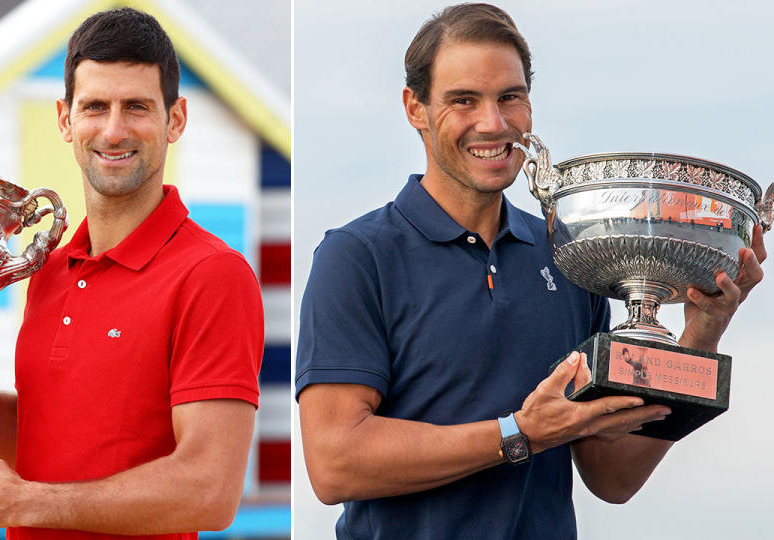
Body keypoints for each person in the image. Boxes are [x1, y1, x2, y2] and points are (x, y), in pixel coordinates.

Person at [295, 3, 765, 539]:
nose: (493, 123)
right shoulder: (356, 256)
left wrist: (702, 331)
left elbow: (611, 477)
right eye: (463, 100)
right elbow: (334, 463)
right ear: (415, 107)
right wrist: (520, 434)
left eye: (509, 98)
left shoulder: (569, 254)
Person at [0, 8, 264, 540]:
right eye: (95, 106)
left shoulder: (212, 274)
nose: (114, 129)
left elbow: (210, 491)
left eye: (138, 107)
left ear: (176, 119)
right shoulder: (50, 270)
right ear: (65, 119)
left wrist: (24, 504)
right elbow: (38, 438)